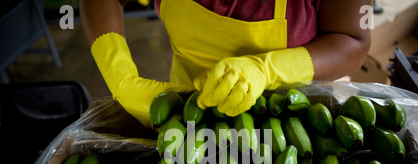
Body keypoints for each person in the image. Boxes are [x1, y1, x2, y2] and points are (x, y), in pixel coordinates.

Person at [80, 0, 372, 127]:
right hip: (187, 111)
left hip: (292, 121)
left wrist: (266, 69)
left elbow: (352, 42)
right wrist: (121, 78)